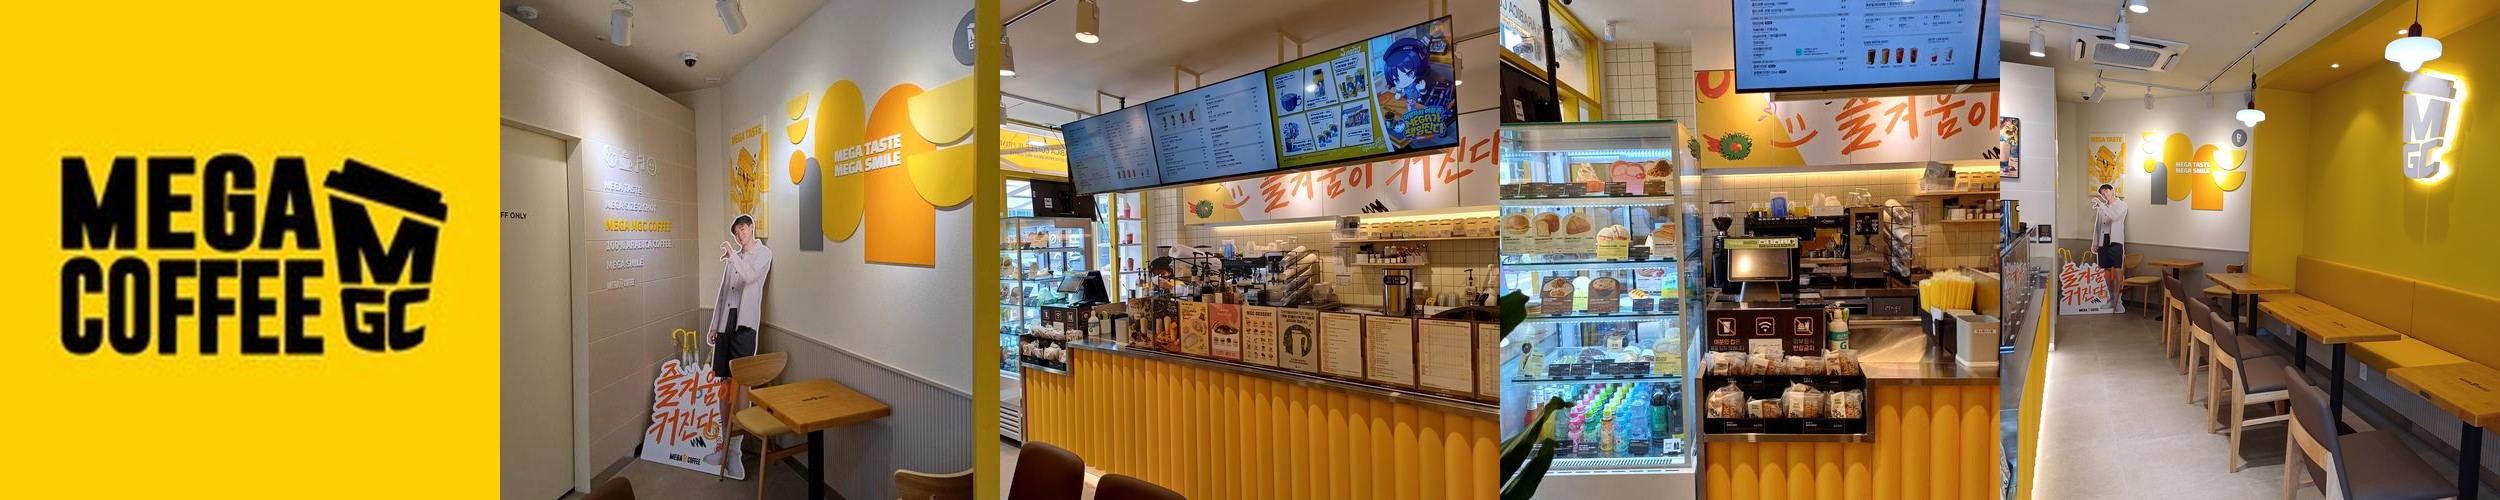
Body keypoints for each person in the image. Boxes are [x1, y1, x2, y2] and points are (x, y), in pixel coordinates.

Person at [708, 214, 771, 465]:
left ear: (751, 228)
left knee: (742, 384)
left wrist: (732, 257)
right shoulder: (734, 258)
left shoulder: (764, 254)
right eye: (736, 232)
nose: (739, 235)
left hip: (745, 325)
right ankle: (724, 445)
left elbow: (749, 277)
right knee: (724, 382)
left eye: (742, 229)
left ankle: (736, 450)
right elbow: (723, 293)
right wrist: (714, 325)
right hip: (726, 322)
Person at [2092, 184, 2129, 312]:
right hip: (2103, 241)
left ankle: (2118, 301)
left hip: (2115, 241)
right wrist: (2095, 243)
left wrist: (2101, 206)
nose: (2105, 195)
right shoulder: (2102, 207)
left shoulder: (2122, 205)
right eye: (2102, 194)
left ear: (2112, 191)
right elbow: (2098, 226)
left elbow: (2114, 216)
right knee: (2106, 272)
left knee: (2117, 271)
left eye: (2106, 191)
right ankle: (2111, 299)